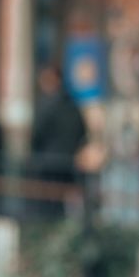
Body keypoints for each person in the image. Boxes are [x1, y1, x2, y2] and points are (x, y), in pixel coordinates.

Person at [28, 65, 87, 216]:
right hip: (67, 162)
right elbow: (82, 132)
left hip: (48, 164)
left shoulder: (47, 105)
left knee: (47, 206)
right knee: (63, 204)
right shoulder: (72, 104)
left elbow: (37, 135)